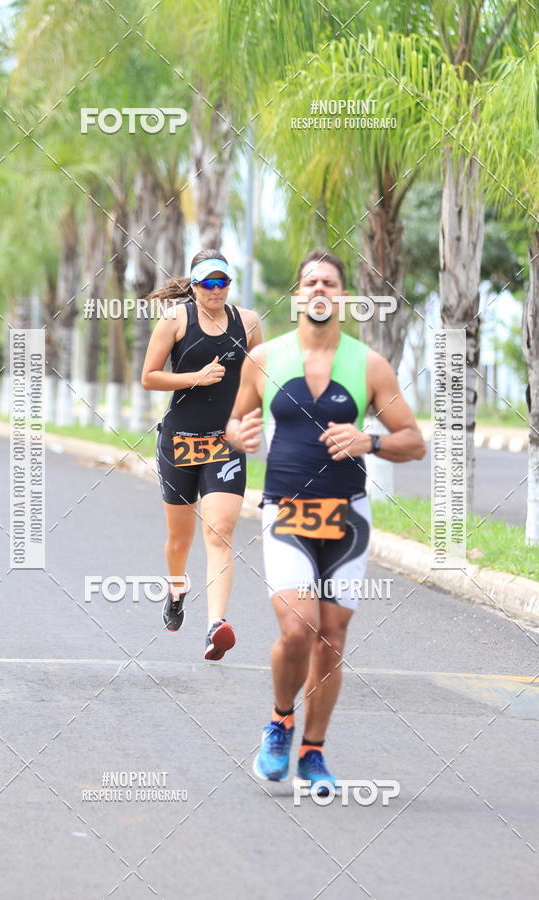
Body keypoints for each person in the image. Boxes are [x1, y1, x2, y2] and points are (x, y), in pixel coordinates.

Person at [226, 248, 426, 792]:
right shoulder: (264, 358)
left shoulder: (369, 365)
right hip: (286, 510)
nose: (320, 289)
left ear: (344, 297)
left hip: (348, 518)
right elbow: (236, 423)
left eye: (330, 283)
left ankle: (313, 751)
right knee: (298, 627)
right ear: (296, 297)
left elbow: (414, 442)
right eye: (310, 281)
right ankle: (279, 721)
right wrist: (237, 436)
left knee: (331, 636)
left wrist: (371, 439)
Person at [142, 250, 262, 660]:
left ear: (230, 284)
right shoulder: (175, 320)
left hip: (224, 442)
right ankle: (177, 587)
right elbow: (148, 377)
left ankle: (216, 626)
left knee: (219, 532)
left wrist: (252, 418)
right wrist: (196, 377)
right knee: (180, 538)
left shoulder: (248, 322)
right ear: (193, 286)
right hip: (179, 440)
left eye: (222, 282)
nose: (215, 290)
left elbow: (258, 376)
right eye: (207, 283)